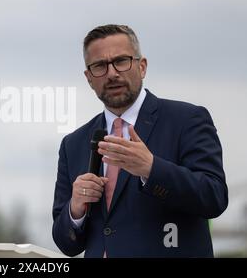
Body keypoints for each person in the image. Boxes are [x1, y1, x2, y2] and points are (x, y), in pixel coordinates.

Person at [52, 24, 228, 257]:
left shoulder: (187, 120)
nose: (112, 73)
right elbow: (67, 244)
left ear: (142, 66)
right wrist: (76, 210)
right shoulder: (73, 143)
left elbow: (214, 197)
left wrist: (151, 169)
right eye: (99, 66)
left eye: (121, 61)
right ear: (88, 78)